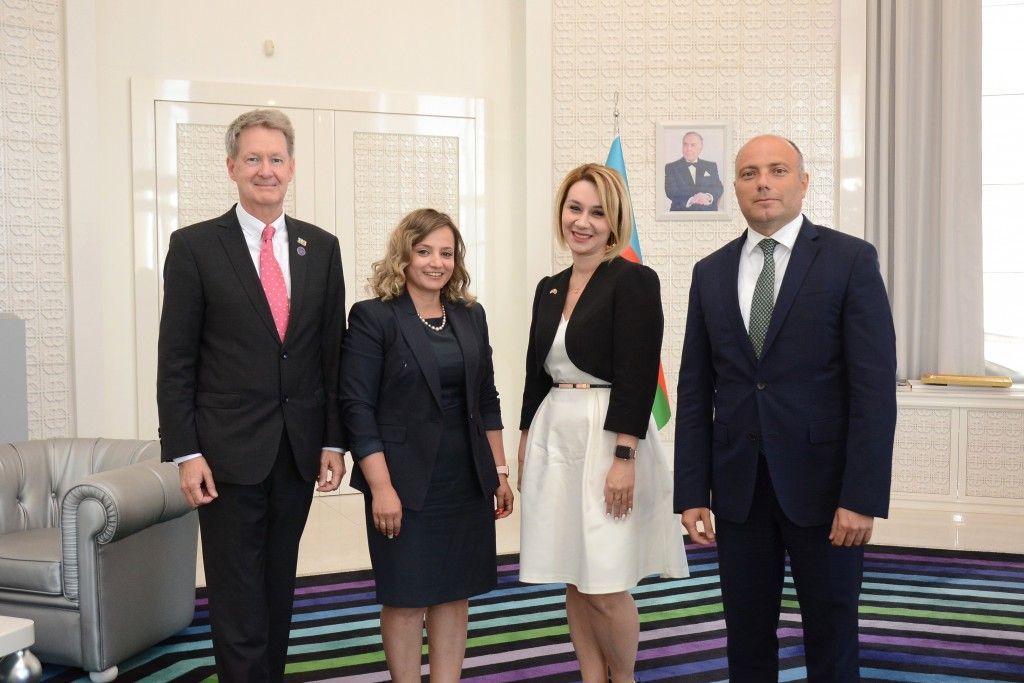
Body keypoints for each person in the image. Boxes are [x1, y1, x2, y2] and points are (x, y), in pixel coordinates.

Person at [674, 134, 897, 682]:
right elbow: (696, 389)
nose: (763, 184)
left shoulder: (850, 260)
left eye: (777, 170)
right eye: (749, 173)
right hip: (738, 492)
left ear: (803, 181)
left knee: (832, 634)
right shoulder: (709, 272)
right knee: (746, 635)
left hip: (826, 492)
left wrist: (861, 497)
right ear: (734, 187)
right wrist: (692, 490)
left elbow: (873, 391)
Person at [157, 109, 347, 681]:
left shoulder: (322, 247)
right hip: (224, 455)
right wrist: (186, 452)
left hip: (297, 450)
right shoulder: (194, 247)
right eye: (254, 159)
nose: (266, 170)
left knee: (278, 586)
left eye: (276, 159)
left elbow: (330, 355)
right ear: (232, 167)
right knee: (236, 592)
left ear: (292, 168)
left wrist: (333, 441)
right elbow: (176, 360)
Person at [518, 164, 689, 683]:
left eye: (597, 213)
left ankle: (625, 676)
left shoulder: (633, 280)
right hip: (556, 435)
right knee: (574, 574)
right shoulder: (549, 288)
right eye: (575, 208)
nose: (583, 222)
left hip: (610, 435)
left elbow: (638, 374)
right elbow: (535, 373)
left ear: (614, 222)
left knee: (606, 583)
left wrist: (623, 457)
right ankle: (593, 676)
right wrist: (525, 439)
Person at [340, 209, 513, 683]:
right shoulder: (374, 317)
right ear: (404, 255)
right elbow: (357, 407)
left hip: (466, 478)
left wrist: (498, 473)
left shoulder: (470, 315)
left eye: (446, 253)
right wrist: (381, 488)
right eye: (424, 251)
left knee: (454, 592)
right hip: (404, 481)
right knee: (405, 595)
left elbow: (487, 397)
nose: (436, 262)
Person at [664, 131, 724, 211]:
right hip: (681, 213)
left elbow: (718, 187)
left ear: (700, 147)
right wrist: (692, 199)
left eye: (693, 145)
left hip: (708, 213)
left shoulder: (711, 166)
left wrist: (708, 196)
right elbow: (671, 191)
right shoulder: (671, 167)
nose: (688, 148)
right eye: (685, 144)